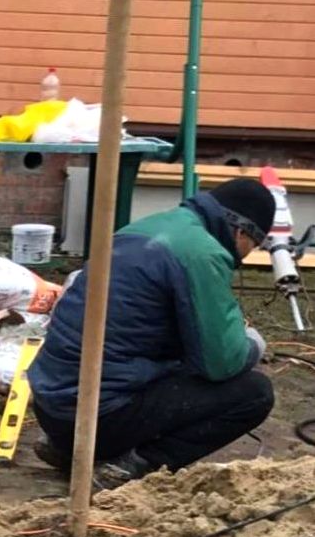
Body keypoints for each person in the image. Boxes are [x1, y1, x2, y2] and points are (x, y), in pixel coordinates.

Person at [28, 177, 276, 488]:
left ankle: (66, 448)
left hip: (52, 408)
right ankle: (133, 464)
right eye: (254, 245)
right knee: (254, 393)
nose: (248, 255)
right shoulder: (201, 253)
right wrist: (252, 346)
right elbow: (220, 363)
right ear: (241, 232)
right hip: (99, 418)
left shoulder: (143, 228)